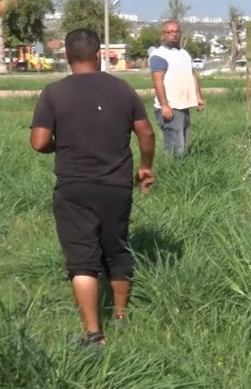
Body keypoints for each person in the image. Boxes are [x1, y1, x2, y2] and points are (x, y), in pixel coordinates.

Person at [29, 28, 156, 347]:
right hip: (116, 186)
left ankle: (93, 335)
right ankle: (121, 317)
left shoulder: (53, 93)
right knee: (116, 248)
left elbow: (39, 141)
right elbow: (146, 133)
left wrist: (57, 147)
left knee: (82, 260)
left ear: (67, 57)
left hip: (74, 188)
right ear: (99, 54)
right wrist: (145, 167)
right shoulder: (123, 90)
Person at [149, 20, 205, 157]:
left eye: (176, 31)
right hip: (170, 108)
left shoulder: (184, 54)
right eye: (170, 32)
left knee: (183, 145)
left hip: (183, 106)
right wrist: (164, 105)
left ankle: (182, 172)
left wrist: (198, 97)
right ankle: (172, 173)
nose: (174, 34)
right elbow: (158, 81)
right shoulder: (159, 55)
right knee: (176, 148)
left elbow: (192, 76)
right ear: (163, 35)